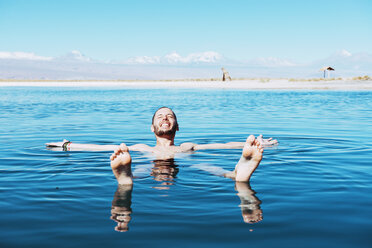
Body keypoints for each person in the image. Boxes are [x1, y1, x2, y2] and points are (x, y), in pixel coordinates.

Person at [46, 107, 278, 184]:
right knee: (138, 169)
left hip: (182, 161)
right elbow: (102, 147)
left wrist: (260, 144)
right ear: (152, 128)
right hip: (152, 161)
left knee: (206, 166)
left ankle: (238, 172)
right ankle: (126, 177)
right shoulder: (142, 148)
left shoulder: (188, 146)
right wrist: (68, 145)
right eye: (160, 116)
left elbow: (223, 144)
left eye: (170, 116)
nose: (165, 118)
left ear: (177, 127)